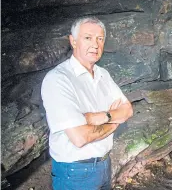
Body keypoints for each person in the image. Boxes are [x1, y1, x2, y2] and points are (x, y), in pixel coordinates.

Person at [41, 17, 133, 190]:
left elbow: (127, 110)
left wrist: (103, 117)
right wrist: (115, 122)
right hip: (75, 172)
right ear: (73, 41)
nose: (95, 44)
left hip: (104, 164)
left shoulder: (103, 74)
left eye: (100, 39)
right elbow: (80, 137)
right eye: (88, 38)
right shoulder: (58, 79)